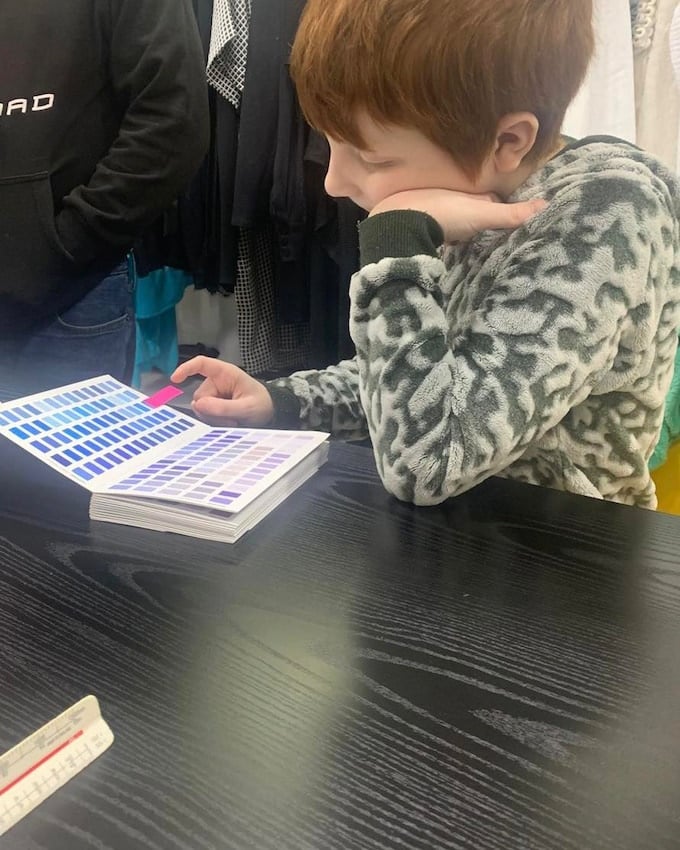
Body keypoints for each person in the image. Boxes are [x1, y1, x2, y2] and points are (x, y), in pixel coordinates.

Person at [172, 0, 680, 510]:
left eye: (373, 158)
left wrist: (396, 241)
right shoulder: (473, 186)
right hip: (455, 548)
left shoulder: (603, 214)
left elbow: (430, 460)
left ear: (508, 140)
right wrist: (284, 401)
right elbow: (426, 371)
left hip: (567, 555)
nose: (334, 182)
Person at [0, 0, 209, 399]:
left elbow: (173, 120)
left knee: (64, 460)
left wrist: (66, 245)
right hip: (66, 282)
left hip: (66, 297)